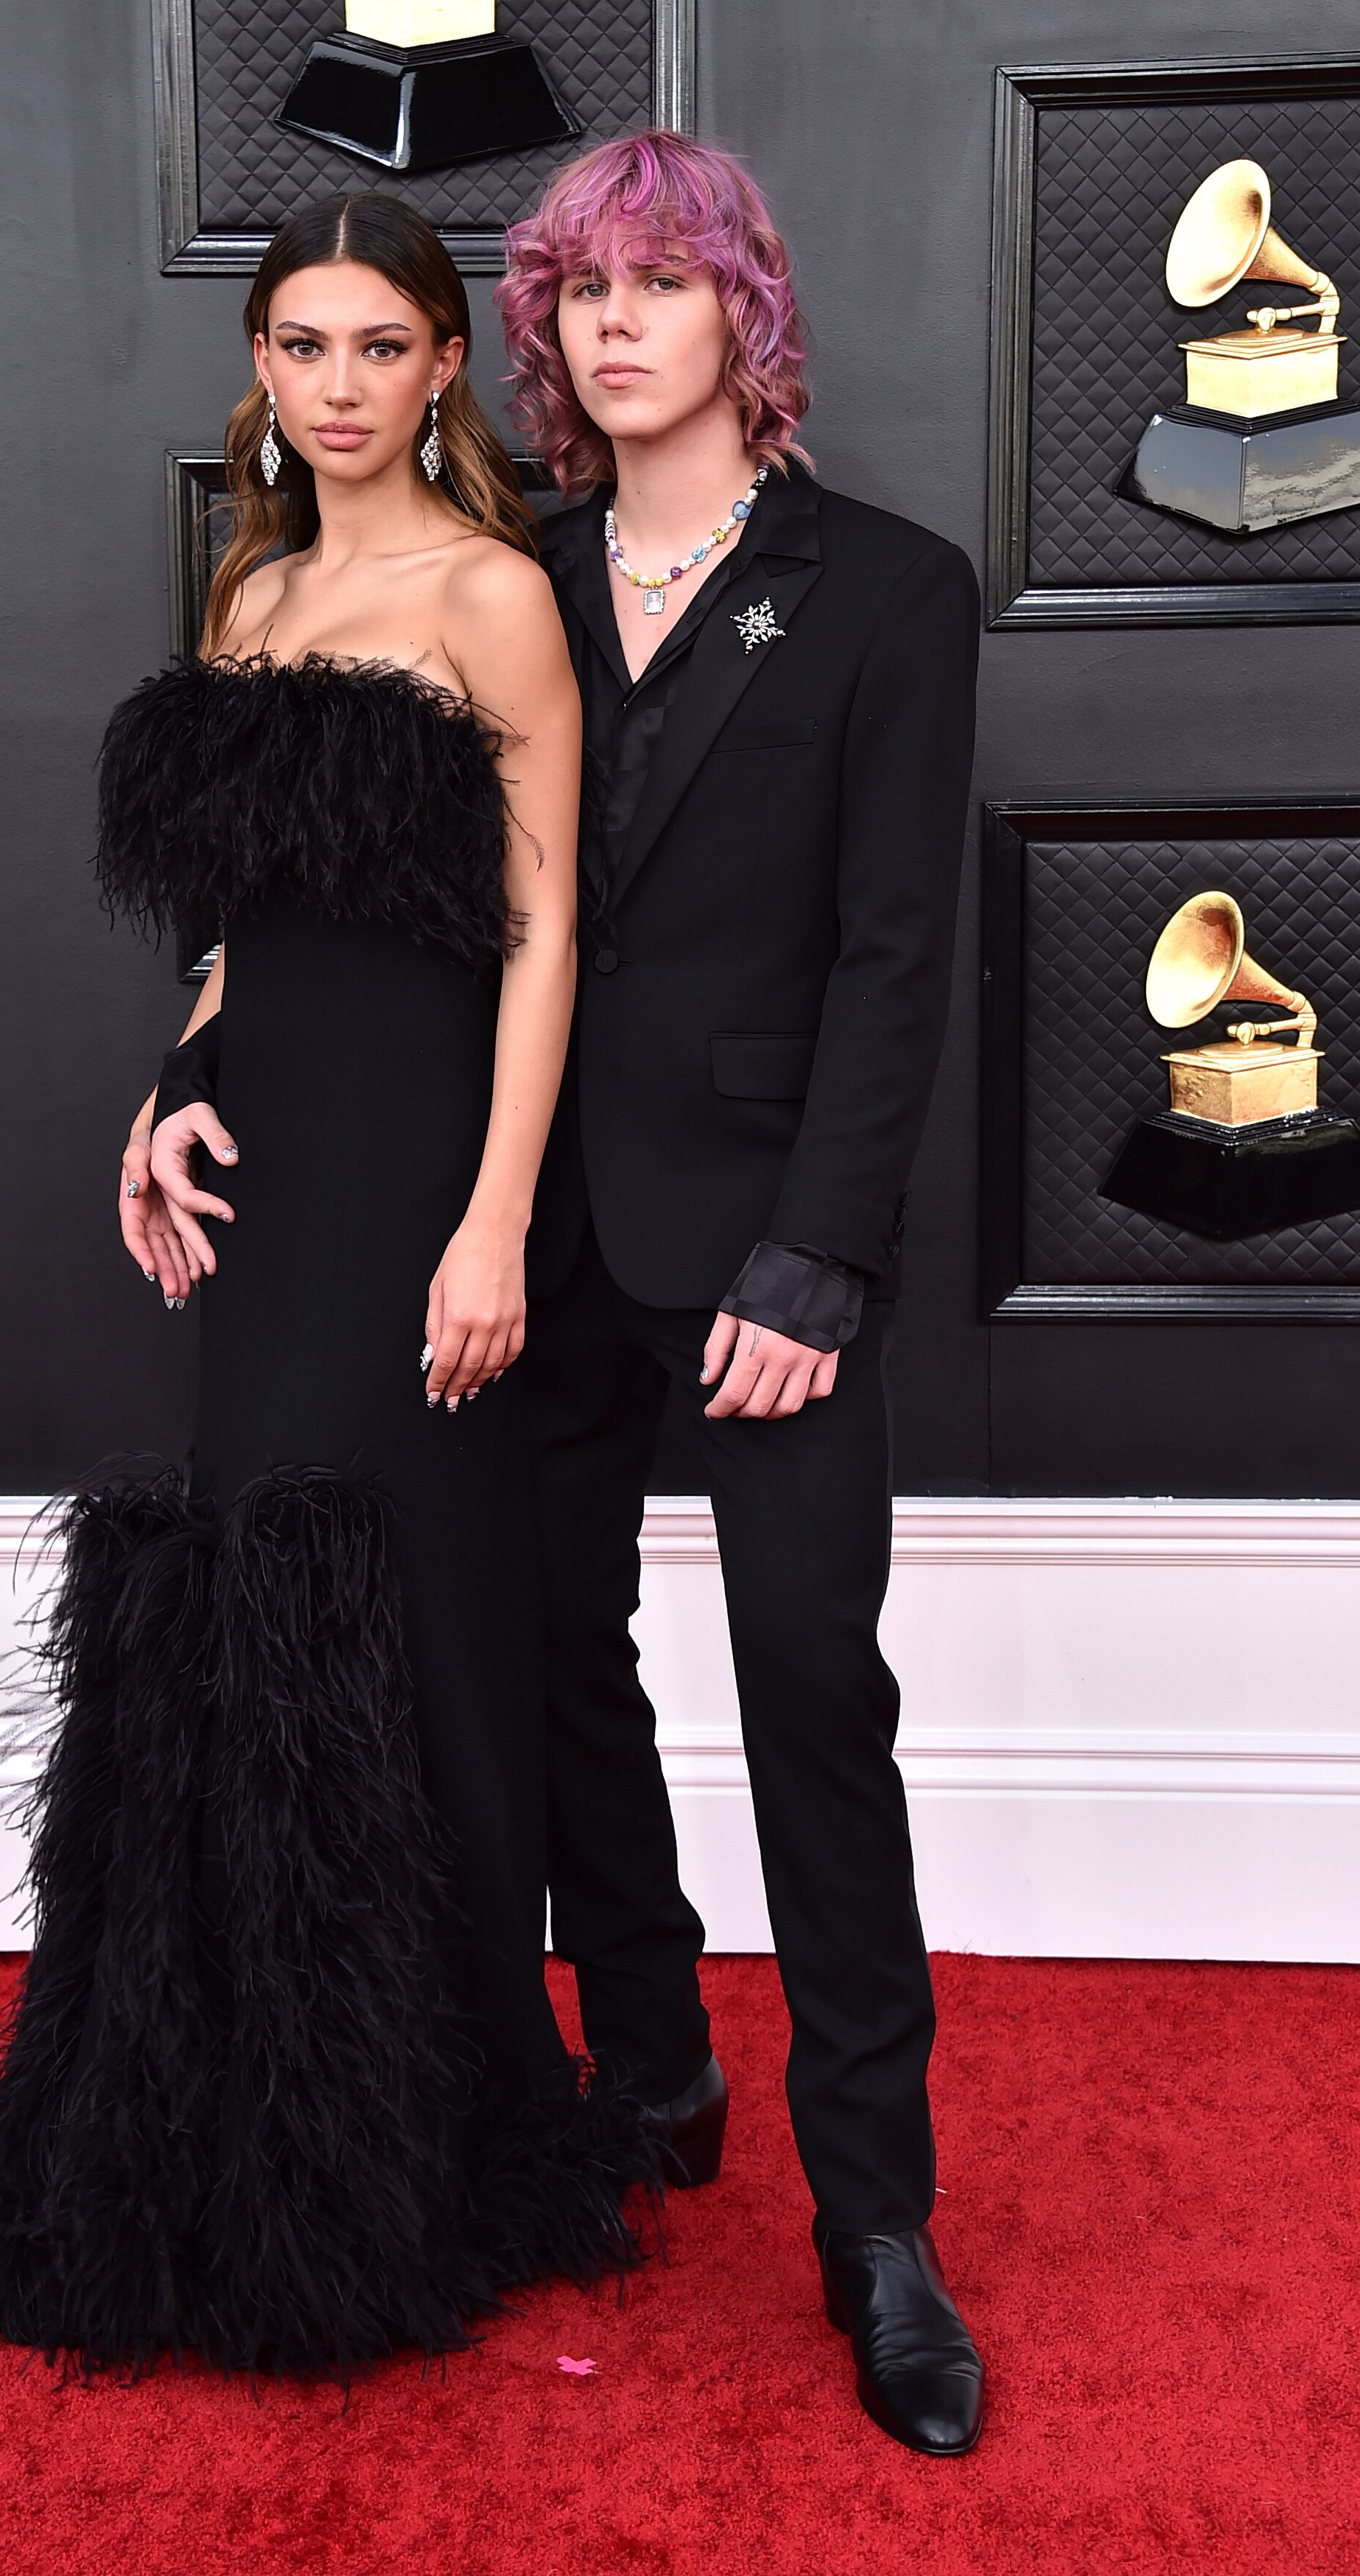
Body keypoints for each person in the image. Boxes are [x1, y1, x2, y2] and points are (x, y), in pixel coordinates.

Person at [0, 192, 653, 2377]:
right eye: (302, 346)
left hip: (427, 1158)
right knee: (257, 1604)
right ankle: (260, 2124)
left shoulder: (499, 594)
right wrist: (171, 1088)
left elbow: (540, 935)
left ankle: (443, 2126)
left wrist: (498, 1214)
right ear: (265, 368)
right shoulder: (252, 589)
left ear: (444, 371)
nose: (337, 385)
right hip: (275, 1160)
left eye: (381, 347)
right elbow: (240, 917)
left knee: (423, 1620)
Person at [497, 134, 986, 2456]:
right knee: (549, 1648)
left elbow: (899, 958)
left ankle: (876, 2220)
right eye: (581, 288)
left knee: (811, 1689)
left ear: (743, 317)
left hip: (773, 1236)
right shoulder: (514, 580)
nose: (615, 324)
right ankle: (660, 2054)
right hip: (536, 1218)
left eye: (661, 285)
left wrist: (819, 1251)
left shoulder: (889, 590)